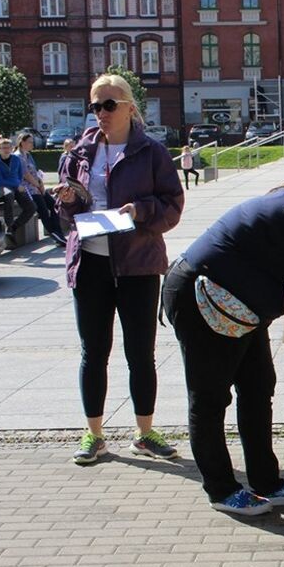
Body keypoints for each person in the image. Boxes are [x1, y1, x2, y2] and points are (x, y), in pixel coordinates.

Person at [161, 155, 284, 516]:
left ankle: (266, 480)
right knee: (209, 398)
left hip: (238, 310)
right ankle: (221, 490)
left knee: (258, 387)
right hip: (203, 298)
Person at [52, 73, 184, 465]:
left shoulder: (151, 153)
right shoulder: (78, 154)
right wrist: (67, 201)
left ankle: (145, 433)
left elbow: (173, 206)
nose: (101, 113)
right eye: (95, 106)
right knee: (93, 352)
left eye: (109, 105)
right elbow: (67, 216)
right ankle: (94, 435)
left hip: (137, 263)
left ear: (129, 107)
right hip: (89, 263)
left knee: (140, 353)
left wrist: (140, 210)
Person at [14, 132, 66, 246]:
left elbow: (35, 172)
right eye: (30, 142)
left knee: (54, 205)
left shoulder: (28, 155)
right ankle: (55, 234)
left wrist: (41, 185)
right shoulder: (18, 156)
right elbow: (26, 174)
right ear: (22, 142)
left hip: (37, 186)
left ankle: (58, 232)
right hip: (29, 189)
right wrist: (37, 186)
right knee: (43, 211)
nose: (32, 144)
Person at [0, 136, 37, 250]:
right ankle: (8, 225)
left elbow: (20, 174)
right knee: (9, 195)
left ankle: (13, 227)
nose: (6, 150)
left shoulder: (16, 159)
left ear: (12, 148)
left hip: (16, 185)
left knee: (31, 207)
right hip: (3, 186)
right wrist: (16, 185)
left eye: (8, 147)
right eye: (3, 148)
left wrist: (18, 184)